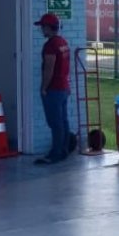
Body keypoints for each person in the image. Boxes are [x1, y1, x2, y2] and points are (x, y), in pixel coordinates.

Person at [34, 13, 71, 165]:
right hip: (63, 87)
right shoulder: (63, 42)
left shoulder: (50, 45)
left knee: (55, 123)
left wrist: (44, 87)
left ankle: (55, 153)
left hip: (54, 89)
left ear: (49, 27)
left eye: (43, 27)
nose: (42, 30)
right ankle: (63, 150)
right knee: (63, 121)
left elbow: (49, 68)